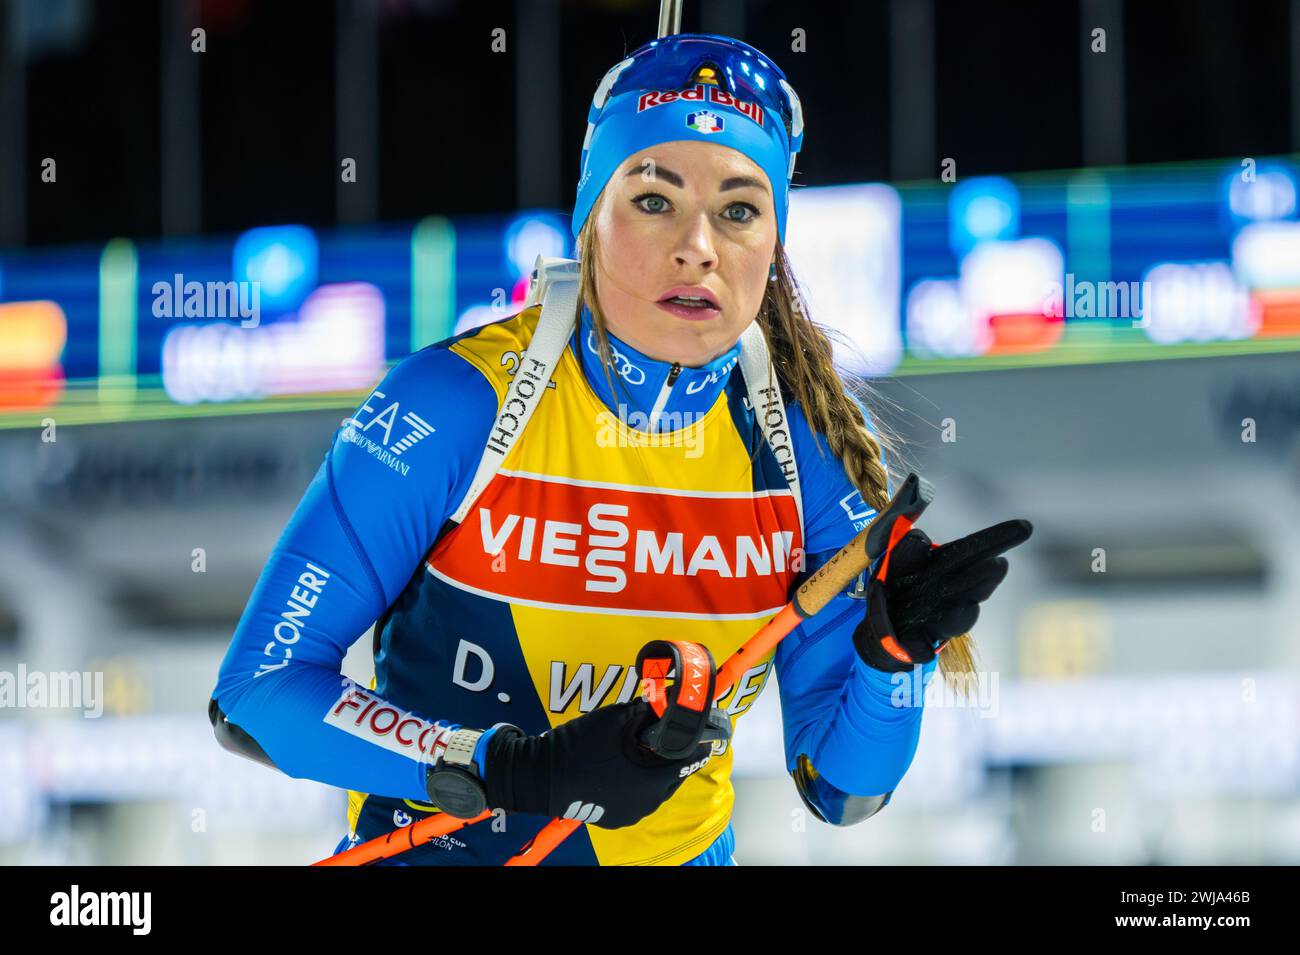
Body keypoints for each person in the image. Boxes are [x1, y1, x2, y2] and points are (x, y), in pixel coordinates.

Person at [209, 32, 1031, 866]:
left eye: (740, 209)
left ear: (773, 247)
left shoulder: (801, 457)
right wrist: (505, 765)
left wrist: (892, 661)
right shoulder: (457, 404)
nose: (698, 246)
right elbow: (255, 695)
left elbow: (842, 789)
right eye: (652, 198)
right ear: (589, 219)